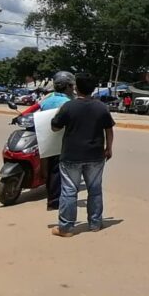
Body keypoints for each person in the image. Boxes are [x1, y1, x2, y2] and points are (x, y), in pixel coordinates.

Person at [50, 73, 115, 237]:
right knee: (95, 190)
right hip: (96, 155)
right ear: (93, 89)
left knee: (69, 191)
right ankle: (95, 223)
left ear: (77, 88)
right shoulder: (101, 107)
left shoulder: (68, 106)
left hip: (71, 155)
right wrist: (109, 148)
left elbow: (55, 127)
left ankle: (66, 228)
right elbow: (109, 129)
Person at [38, 71, 75, 211]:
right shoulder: (68, 102)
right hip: (62, 140)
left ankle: (52, 198)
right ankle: (56, 201)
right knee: (60, 171)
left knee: (49, 169)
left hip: (46, 139)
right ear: (67, 87)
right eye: (71, 86)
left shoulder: (46, 100)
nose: (73, 88)